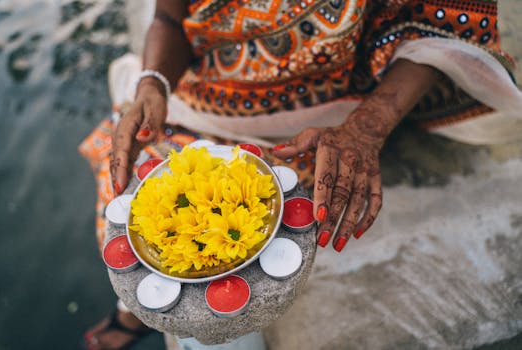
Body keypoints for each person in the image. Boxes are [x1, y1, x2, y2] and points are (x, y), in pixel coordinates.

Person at [79, 0, 522, 349]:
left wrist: (366, 127)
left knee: (274, 226)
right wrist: (153, 82)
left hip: (315, 124)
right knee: (133, 179)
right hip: (199, 98)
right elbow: (169, 19)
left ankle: (132, 315)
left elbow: (443, 20)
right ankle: (134, 309)